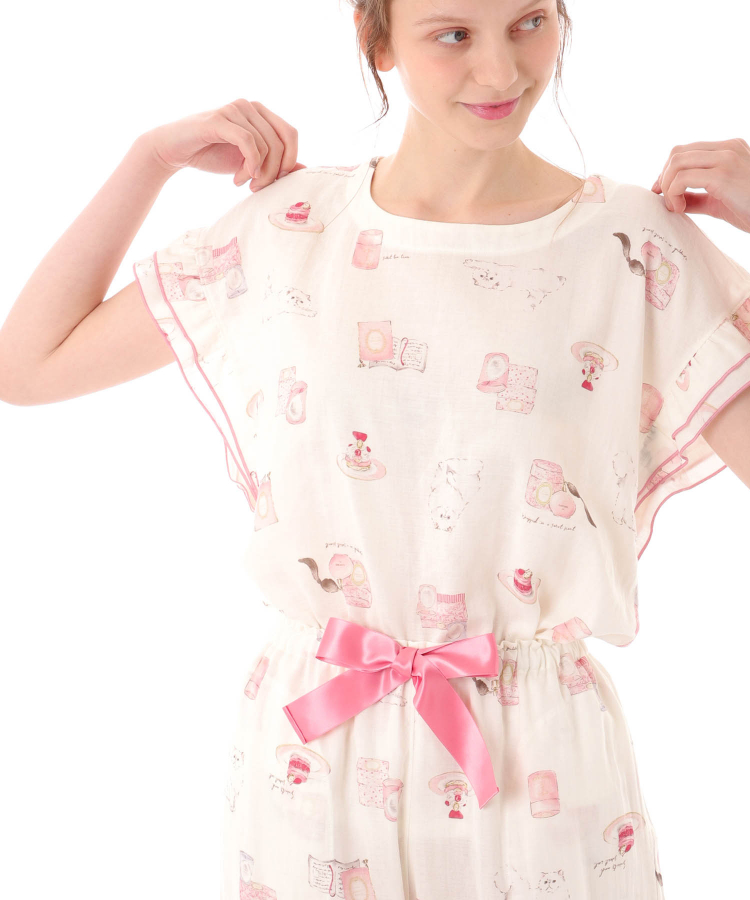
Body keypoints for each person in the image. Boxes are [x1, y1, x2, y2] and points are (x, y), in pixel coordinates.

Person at [2, 1, 750, 897]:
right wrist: (148, 160)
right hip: (315, 753)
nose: (501, 71)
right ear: (378, 39)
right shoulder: (291, 228)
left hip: (538, 762)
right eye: (453, 34)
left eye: (528, 23)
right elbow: (30, 365)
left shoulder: (632, 245)